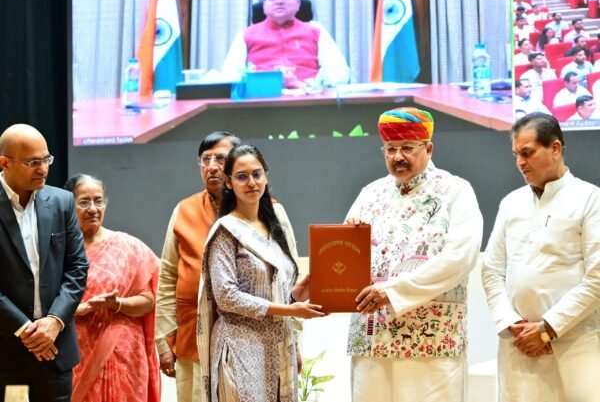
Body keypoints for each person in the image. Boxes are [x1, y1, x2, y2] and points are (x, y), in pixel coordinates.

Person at [344, 108, 483, 402]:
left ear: (428, 149)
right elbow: (344, 254)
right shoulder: (370, 193)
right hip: (372, 338)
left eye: (407, 148)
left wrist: (393, 291)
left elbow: (460, 258)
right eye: (390, 149)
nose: (398, 157)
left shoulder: (455, 191)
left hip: (432, 340)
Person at [482, 113, 600, 402]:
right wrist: (510, 322)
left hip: (574, 342)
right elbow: (491, 270)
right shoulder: (510, 203)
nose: (520, 162)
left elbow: (597, 278)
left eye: (527, 153)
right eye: (516, 155)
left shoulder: (590, 199)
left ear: (555, 148)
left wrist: (548, 328)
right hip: (518, 344)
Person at [196, 144, 325, 402]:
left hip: (278, 347)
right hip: (240, 348)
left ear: (266, 176)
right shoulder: (225, 230)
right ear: (229, 182)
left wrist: (299, 293)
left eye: (257, 174)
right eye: (242, 176)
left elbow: (275, 293)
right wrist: (288, 310)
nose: (251, 182)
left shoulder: (272, 226)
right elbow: (227, 297)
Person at [0, 124, 89, 402]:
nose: (43, 169)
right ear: (4, 163)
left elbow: (77, 268)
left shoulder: (62, 202)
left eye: (46, 159)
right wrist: (26, 330)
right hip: (6, 353)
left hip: (55, 349)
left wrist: (55, 321)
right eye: (32, 162)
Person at [155, 131, 240, 402]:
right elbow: (168, 277)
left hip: (249, 343)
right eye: (205, 159)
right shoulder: (184, 210)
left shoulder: (265, 211)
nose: (212, 166)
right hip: (192, 341)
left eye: (220, 159)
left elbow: (286, 282)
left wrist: (293, 341)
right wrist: (163, 340)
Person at [64, 174, 160, 402]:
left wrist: (117, 304)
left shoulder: (129, 247)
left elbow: (148, 300)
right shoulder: (58, 250)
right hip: (76, 351)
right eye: (84, 202)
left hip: (124, 353)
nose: (93, 209)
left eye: (98, 201)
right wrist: (74, 310)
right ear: (69, 205)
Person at [222, 0, 350, 91]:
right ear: (264, 6)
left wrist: (308, 85)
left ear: (298, 4)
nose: (279, 1)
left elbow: (339, 72)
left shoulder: (316, 31)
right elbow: (230, 74)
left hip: (307, 96)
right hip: (261, 97)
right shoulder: (246, 34)